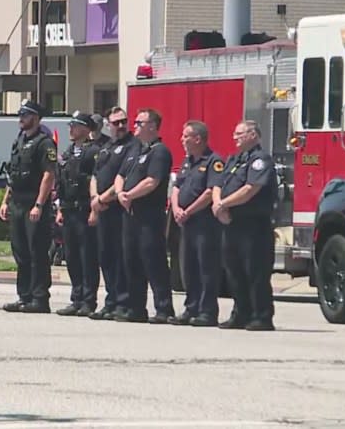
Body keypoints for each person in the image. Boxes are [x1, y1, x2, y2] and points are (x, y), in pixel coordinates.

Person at [213, 120, 277, 331]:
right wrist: (218, 206)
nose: (235, 137)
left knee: (255, 271)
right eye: (234, 133)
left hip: (254, 226)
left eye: (240, 133)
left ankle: (261, 316)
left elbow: (250, 189)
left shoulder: (260, 160)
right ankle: (241, 313)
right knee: (234, 271)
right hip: (232, 223)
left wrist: (224, 204)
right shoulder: (234, 160)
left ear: (253, 135)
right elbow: (218, 184)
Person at [114, 108, 174, 323]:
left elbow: (152, 181)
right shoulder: (134, 150)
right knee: (131, 261)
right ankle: (136, 308)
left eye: (140, 122)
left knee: (154, 262)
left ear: (152, 126)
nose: (135, 125)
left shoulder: (160, 152)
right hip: (130, 214)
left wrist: (129, 194)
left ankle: (164, 308)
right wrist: (121, 193)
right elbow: (120, 175)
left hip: (149, 216)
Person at [0, 100, 57, 313]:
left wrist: (39, 204)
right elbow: (12, 176)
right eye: (20, 114)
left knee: (37, 252)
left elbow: (48, 175)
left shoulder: (45, 143)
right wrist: (5, 200)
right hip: (17, 203)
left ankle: (40, 298)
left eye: (25, 115)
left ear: (36, 117)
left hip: (34, 203)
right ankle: (24, 296)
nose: (21, 118)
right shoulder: (19, 140)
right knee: (20, 252)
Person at [169, 121, 224, 326]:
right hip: (186, 223)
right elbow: (177, 187)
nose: (182, 140)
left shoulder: (213, 161)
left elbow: (210, 192)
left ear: (197, 139)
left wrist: (189, 211)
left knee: (206, 268)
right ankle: (191, 308)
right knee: (188, 267)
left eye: (185, 136)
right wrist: (176, 209)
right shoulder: (187, 162)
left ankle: (207, 312)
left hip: (204, 224)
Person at [88, 107, 137, 320]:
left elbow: (122, 178)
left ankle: (122, 302)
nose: (120, 125)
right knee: (105, 257)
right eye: (116, 122)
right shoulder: (106, 146)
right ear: (108, 124)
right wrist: (94, 200)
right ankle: (110, 301)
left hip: (118, 210)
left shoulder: (132, 146)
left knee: (120, 258)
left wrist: (102, 199)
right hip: (102, 209)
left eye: (123, 121)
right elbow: (95, 176)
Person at [55, 112, 101, 317]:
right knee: (72, 256)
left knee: (87, 257)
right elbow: (62, 181)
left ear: (86, 129)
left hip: (84, 210)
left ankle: (88, 301)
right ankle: (76, 298)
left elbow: (96, 180)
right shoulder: (67, 152)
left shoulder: (93, 152)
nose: (71, 129)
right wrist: (59, 208)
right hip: (69, 209)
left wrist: (94, 209)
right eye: (70, 125)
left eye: (75, 125)